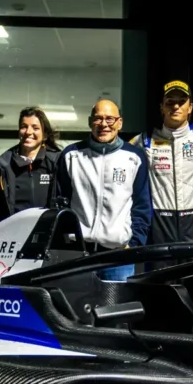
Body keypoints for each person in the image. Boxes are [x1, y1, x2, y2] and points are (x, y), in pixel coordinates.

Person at [53, 99, 152, 282]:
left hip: (118, 257)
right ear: (90, 122)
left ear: (119, 123)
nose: (104, 124)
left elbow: (142, 205)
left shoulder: (134, 157)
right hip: (77, 255)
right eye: (98, 118)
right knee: (75, 300)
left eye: (110, 119)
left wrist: (133, 244)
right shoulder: (71, 155)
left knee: (114, 301)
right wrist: (66, 241)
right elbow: (60, 203)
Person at [129, 80, 193, 251]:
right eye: (170, 102)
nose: (176, 106)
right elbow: (118, 152)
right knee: (159, 269)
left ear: (190, 107)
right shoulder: (145, 140)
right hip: (159, 224)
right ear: (162, 107)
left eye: (181, 102)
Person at [0, 106, 61, 228]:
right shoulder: (2, 166)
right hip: (13, 233)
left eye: (35, 128)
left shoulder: (57, 163)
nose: (28, 132)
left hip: (48, 233)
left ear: (45, 135)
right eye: (24, 126)